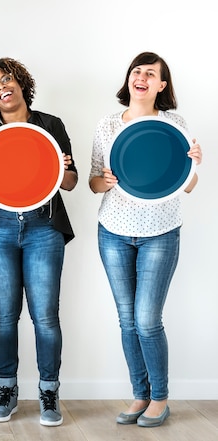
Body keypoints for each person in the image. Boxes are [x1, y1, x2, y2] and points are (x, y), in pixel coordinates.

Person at [89, 52, 202, 428]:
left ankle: (160, 397)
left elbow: (186, 186)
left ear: (161, 86)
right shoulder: (107, 125)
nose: (141, 77)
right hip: (113, 232)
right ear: (129, 80)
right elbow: (93, 182)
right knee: (127, 320)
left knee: (147, 320)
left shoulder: (174, 124)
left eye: (151, 73)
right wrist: (102, 181)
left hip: (160, 233)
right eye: (137, 70)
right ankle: (139, 394)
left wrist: (193, 164)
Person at [0, 57, 77, 427]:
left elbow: (71, 181)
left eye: (7, 79)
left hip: (43, 227)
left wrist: (62, 168)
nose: (2, 87)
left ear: (20, 82)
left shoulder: (50, 125)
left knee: (45, 316)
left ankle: (48, 392)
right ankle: (7, 390)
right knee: (5, 316)